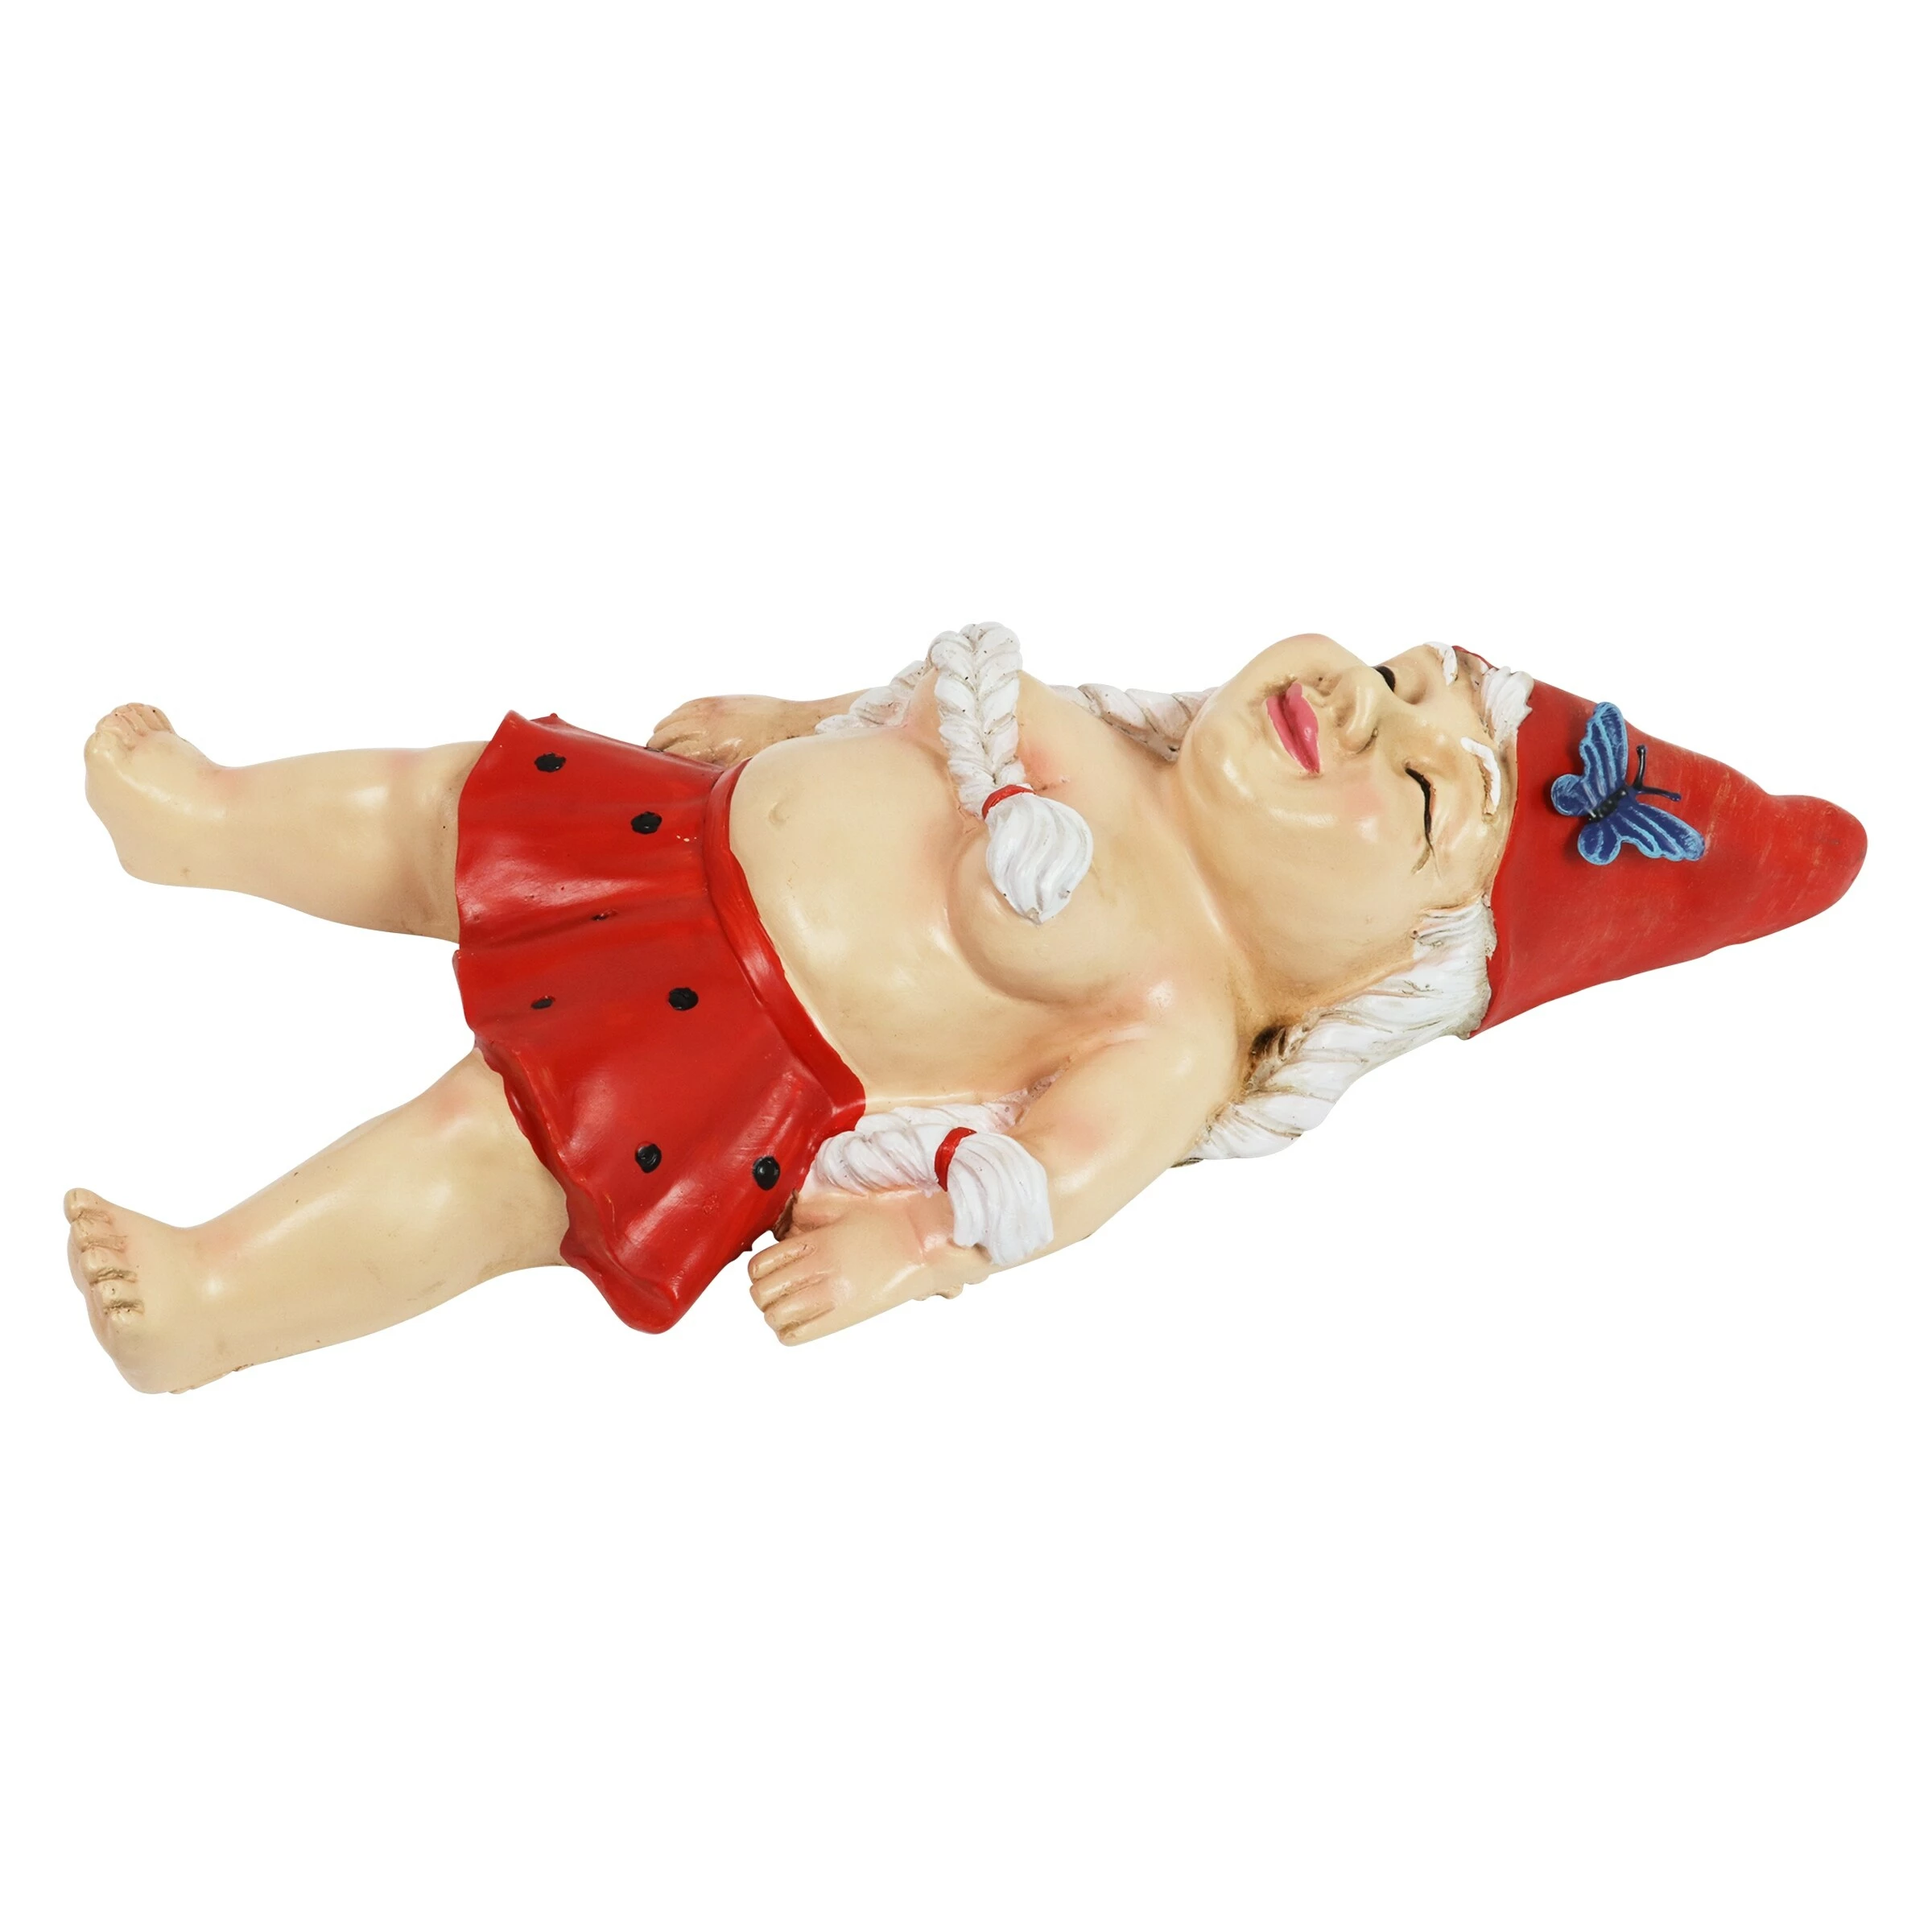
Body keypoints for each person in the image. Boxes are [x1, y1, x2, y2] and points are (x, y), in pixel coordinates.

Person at [64, 626, 1863, 1392]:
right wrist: (785, 721)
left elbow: (1043, 1186)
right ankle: (203, 821)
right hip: (669, 826)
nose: (1362, 711)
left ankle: (217, 1301)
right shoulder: (1106, 733)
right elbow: (917, 709)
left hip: (725, 1035)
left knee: (483, 1154)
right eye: (1397, 676)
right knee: (437, 803)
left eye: (1411, 790)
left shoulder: (1178, 1013)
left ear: (1386, 972)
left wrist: (909, 1247)